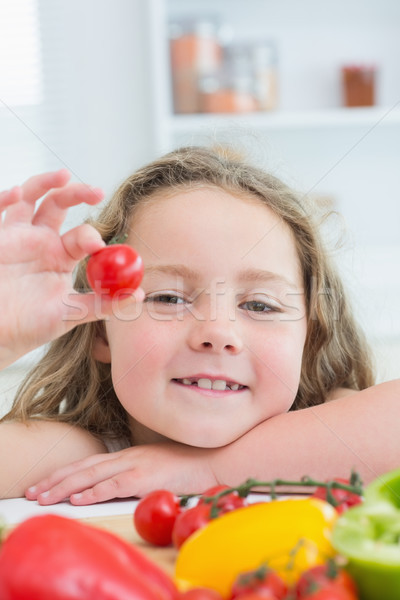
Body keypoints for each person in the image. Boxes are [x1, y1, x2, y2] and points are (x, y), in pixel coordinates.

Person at [0, 147, 399, 505]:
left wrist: (207, 468)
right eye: (169, 299)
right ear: (102, 331)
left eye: (260, 304)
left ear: (308, 339)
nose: (217, 333)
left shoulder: (338, 423)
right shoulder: (93, 454)